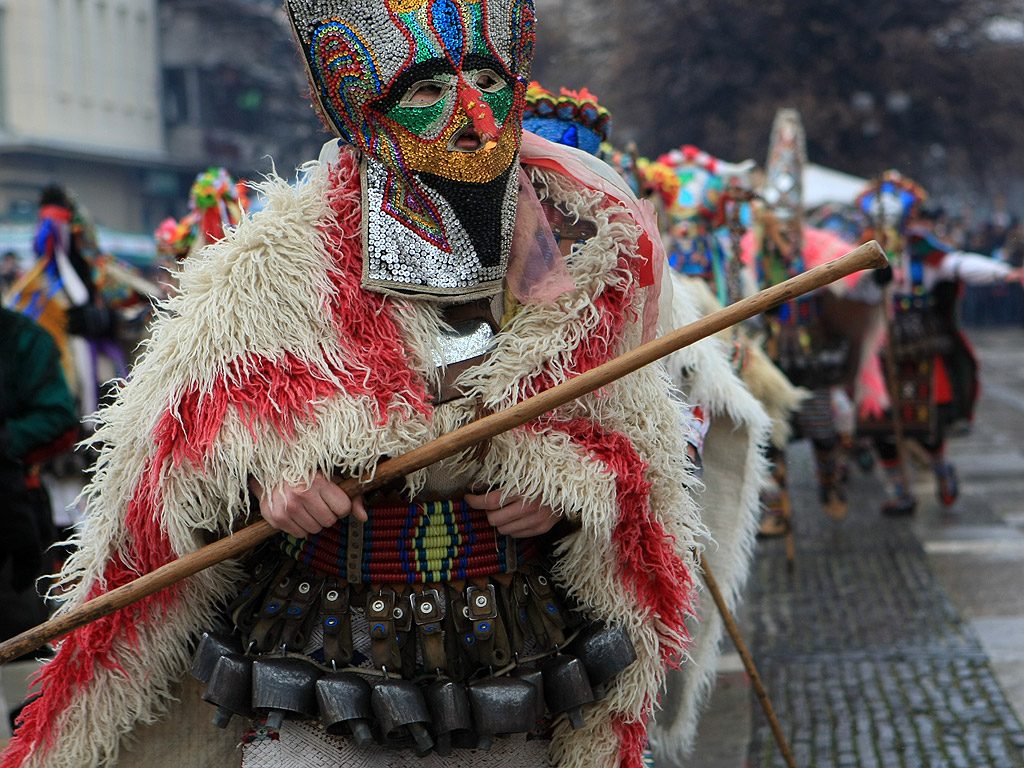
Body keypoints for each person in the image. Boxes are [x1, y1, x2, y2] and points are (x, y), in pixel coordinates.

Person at [3, 3, 708, 768]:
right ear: (366, 115)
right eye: (430, 87)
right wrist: (267, 478)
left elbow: (638, 453)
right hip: (324, 653)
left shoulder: (585, 256)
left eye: (487, 79)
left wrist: (573, 493)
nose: (474, 113)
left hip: (517, 656)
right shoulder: (271, 272)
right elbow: (177, 458)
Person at [859, 200, 1022, 514]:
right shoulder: (861, 252)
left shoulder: (925, 253)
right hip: (881, 347)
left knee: (928, 425)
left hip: (921, 344)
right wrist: (870, 280)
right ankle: (900, 491)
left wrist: (1004, 274)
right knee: (880, 427)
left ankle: (941, 468)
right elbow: (852, 291)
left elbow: (959, 265)